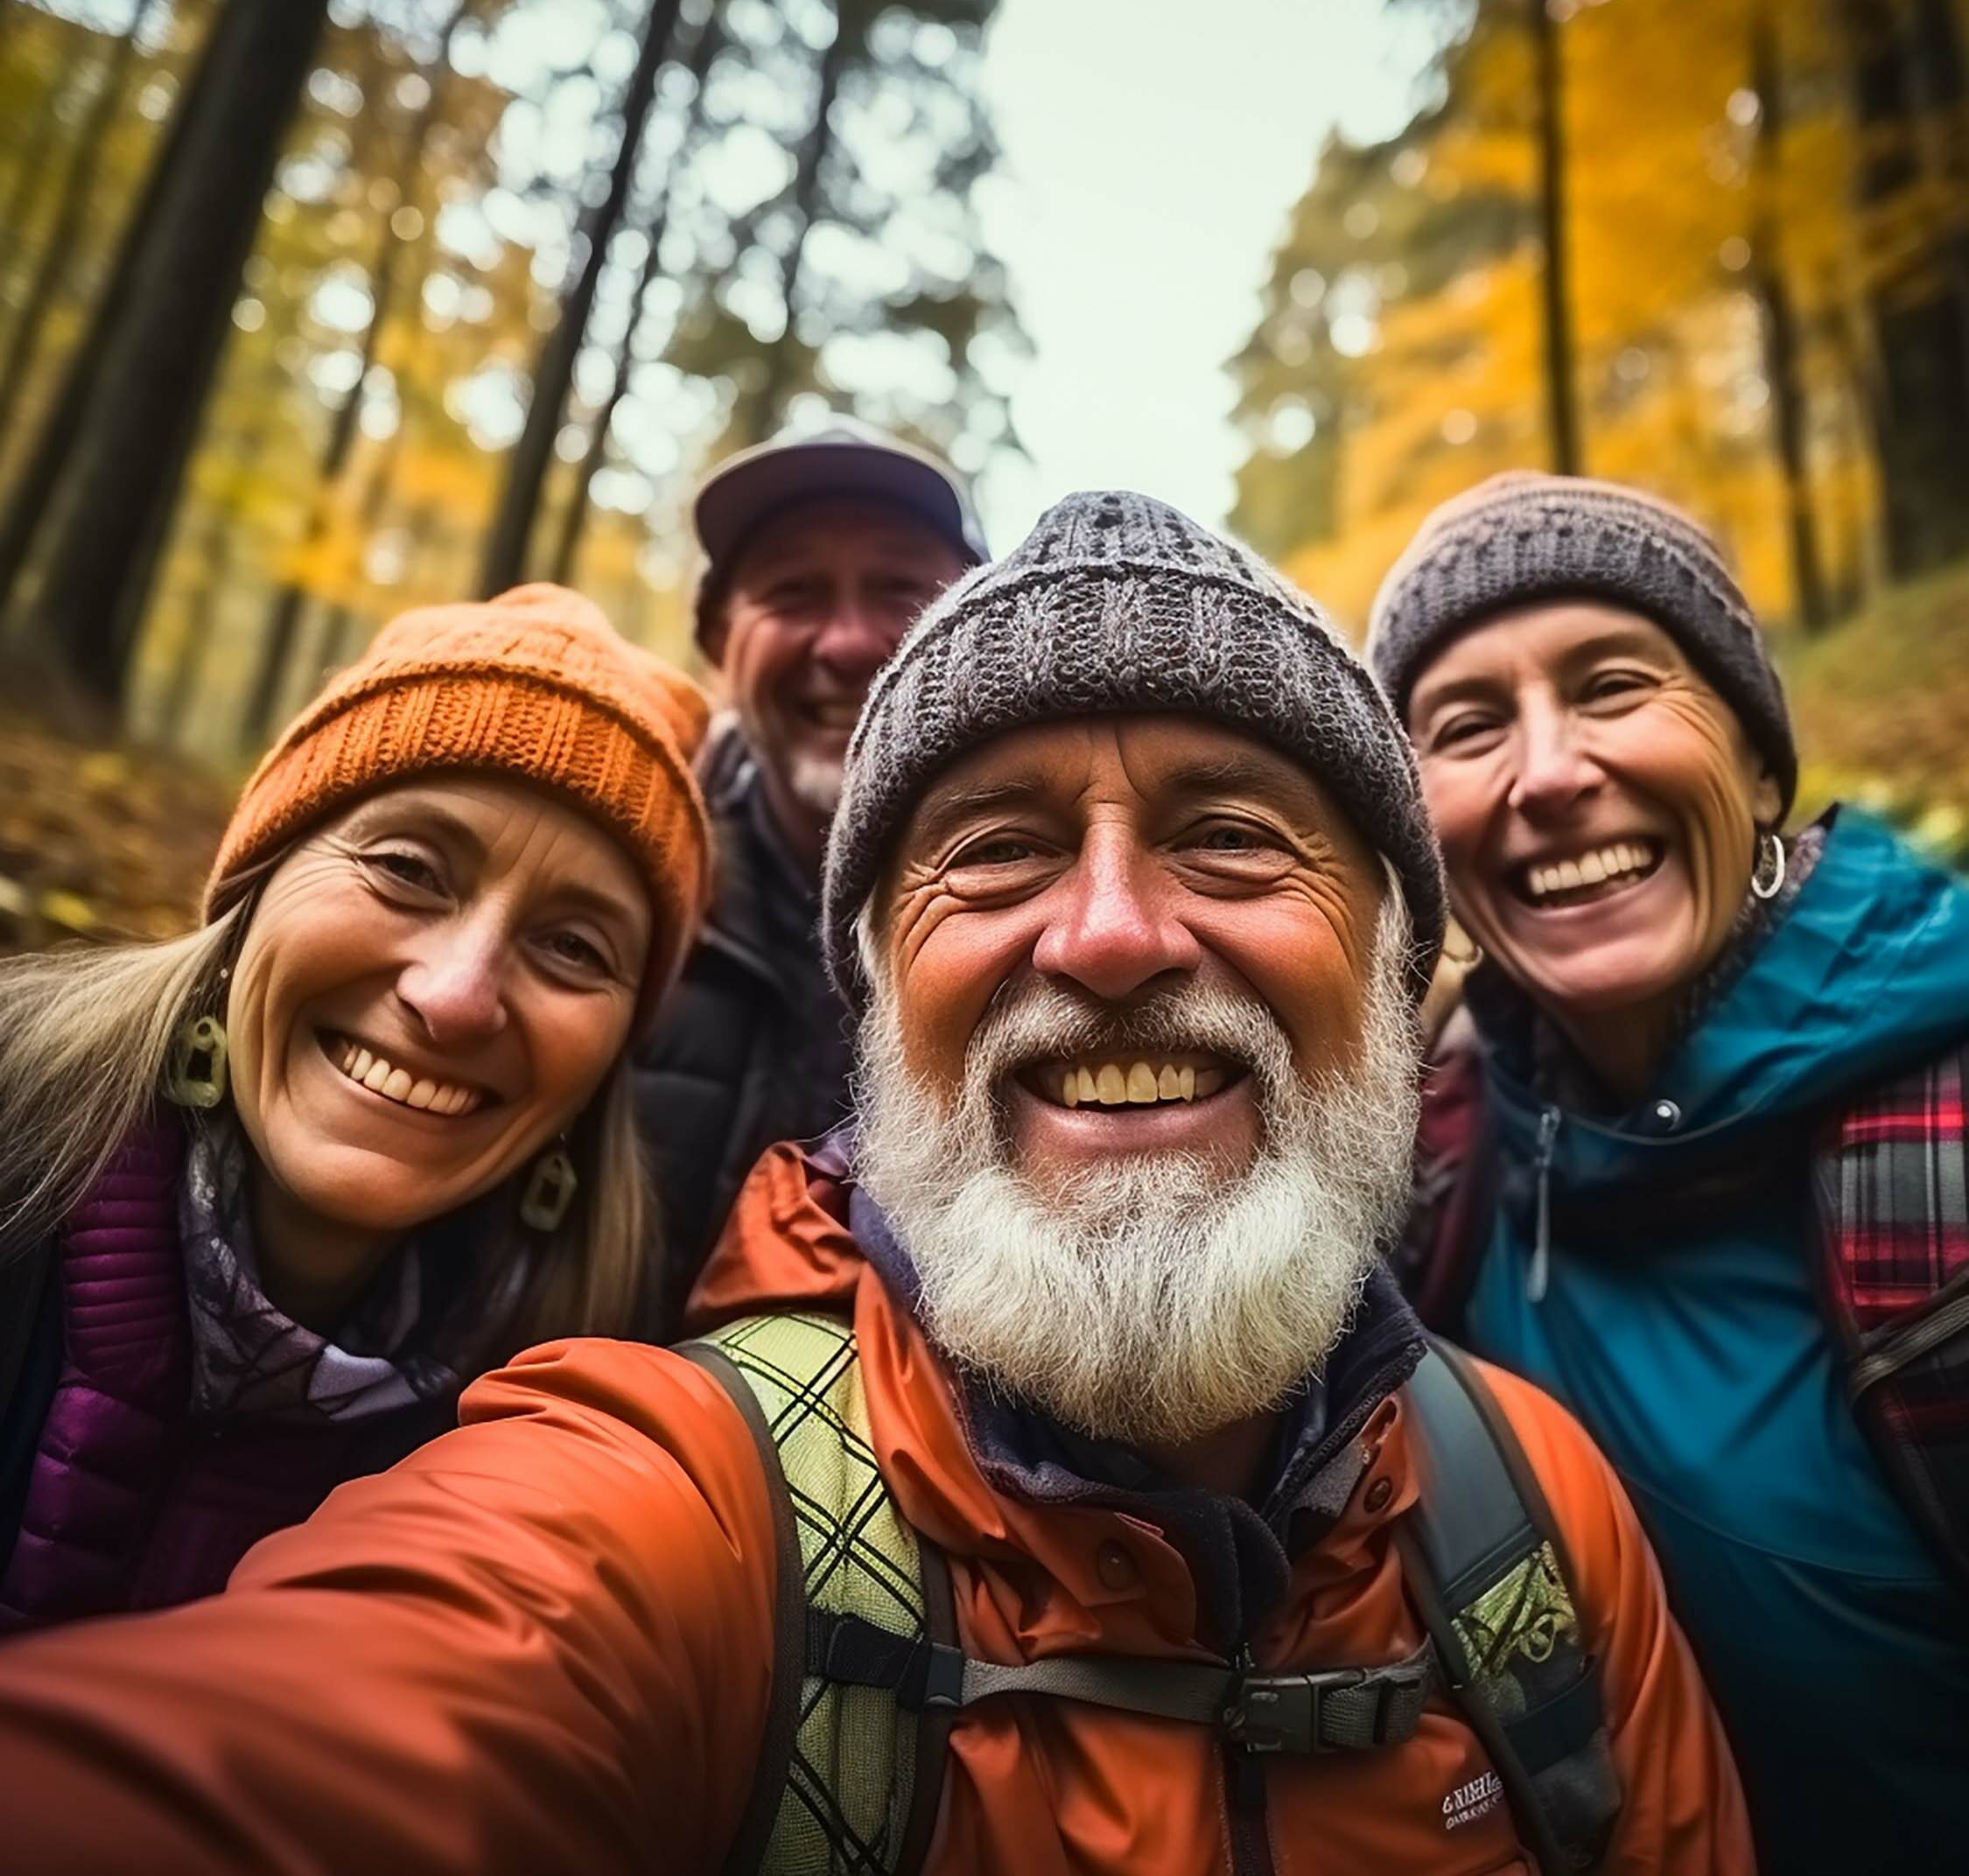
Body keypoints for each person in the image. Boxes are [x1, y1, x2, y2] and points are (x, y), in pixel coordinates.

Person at [0, 492, 1747, 1874]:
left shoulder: (1539, 1516)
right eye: (994, 851)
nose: (1116, 934)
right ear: (877, 1008)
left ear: (1391, 965)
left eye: (1232, 834)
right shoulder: (675, 1509)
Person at [1369, 471, 1969, 1875]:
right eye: (1466, 725)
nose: (1549, 771)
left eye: (1613, 685)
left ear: (1759, 764)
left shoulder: (1938, 1145)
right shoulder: (1435, 1153)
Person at [0, 584, 710, 1630]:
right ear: (255, 889)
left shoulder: (569, 1439)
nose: (456, 996)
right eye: (407, 870)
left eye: (573, 946)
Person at [635, 415, 980, 1322]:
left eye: (902, 591)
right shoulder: (620, 895)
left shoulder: (1074, 919)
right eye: (793, 594)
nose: (849, 643)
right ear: (718, 640)